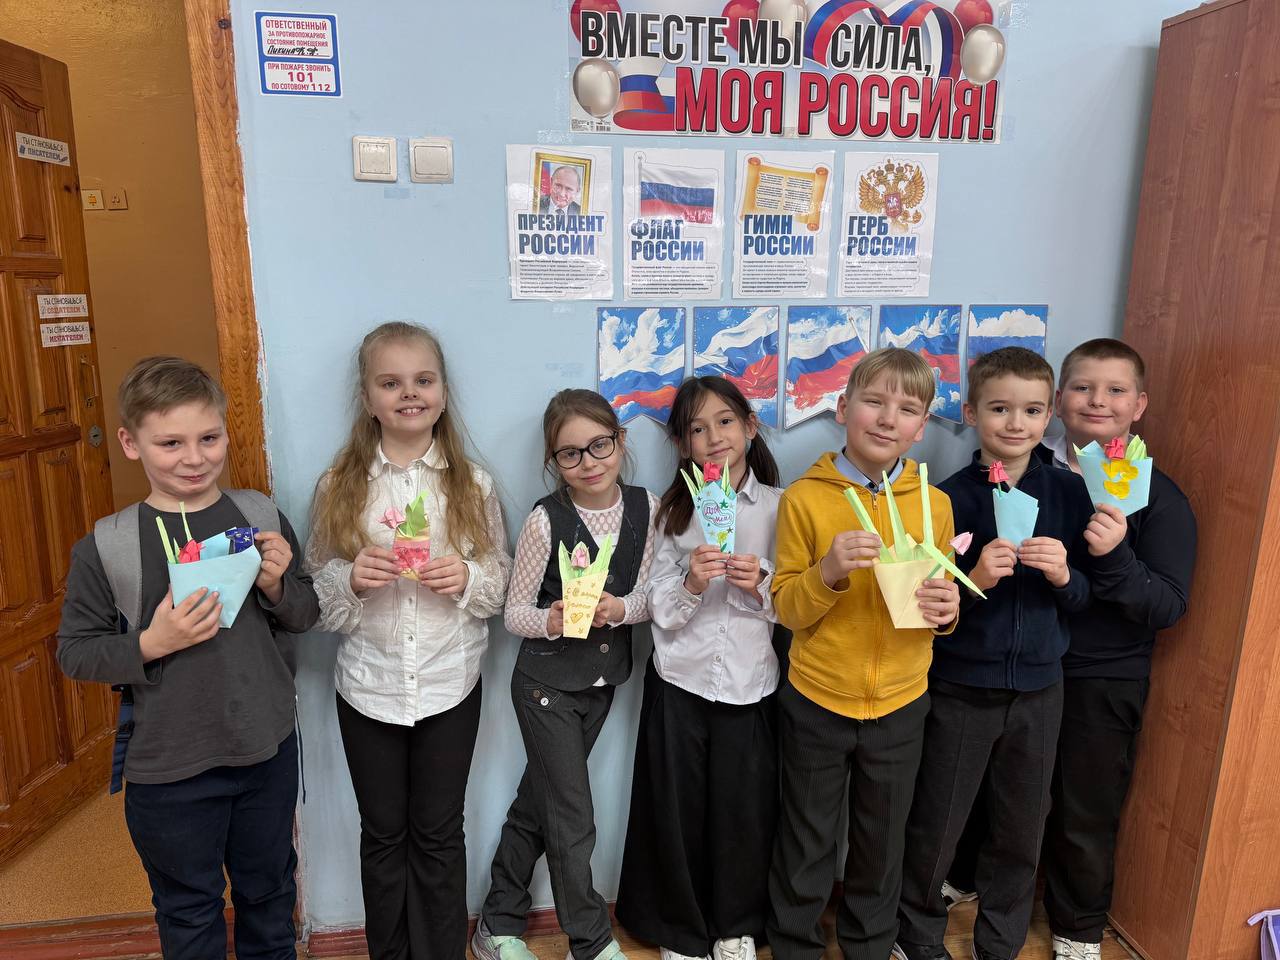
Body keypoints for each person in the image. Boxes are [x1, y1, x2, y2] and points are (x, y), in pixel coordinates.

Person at [57, 356, 319, 960]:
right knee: (189, 912)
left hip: (265, 750)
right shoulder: (107, 545)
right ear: (131, 443)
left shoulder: (259, 516)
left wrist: (278, 586)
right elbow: (75, 653)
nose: (194, 458)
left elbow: (305, 615)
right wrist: (154, 642)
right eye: (170, 443)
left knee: (270, 897)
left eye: (209, 438)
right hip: (169, 769)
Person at [306, 321, 511, 960]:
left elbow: (500, 581)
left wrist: (468, 577)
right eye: (390, 383)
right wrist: (350, 579)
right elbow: (314, 593)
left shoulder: (472, 485)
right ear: (368, 398)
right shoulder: (339, 484)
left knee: (440, 834)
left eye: (423, 380)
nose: (409, 394)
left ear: (443, 392)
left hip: (451, 682)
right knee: (383, 835)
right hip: (369, 686)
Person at [894, 347, 1093, 960]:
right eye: (1000, 408)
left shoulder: (1069, 492)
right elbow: (927, 612)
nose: (1015, 423)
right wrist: (974, 578)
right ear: (971, 412)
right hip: (961, 688)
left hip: (1040, 690)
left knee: (1022, 827)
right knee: (938, 822)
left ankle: (1000, 944)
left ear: (1049, 415)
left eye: (1031, 410)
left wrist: (1064, 576)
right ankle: (916, 937)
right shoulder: (945, 499)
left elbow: (1085, 599)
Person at [767, 348, 961, 960]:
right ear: (843, 407)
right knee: (807, 838)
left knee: (882, 841)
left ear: (921, 426)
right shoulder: (804, 499)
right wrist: (826, 573)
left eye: (906, 409)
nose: (887, 418)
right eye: (874, 402)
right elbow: (786, 608)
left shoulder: (934, 503)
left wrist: (948, 611)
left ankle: (871, 945)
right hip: (818, 698)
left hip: (902, 701)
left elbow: (937, 603)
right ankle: (795, 946)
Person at [473, 388, 658, 960]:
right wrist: (551, 621)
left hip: (602, 685)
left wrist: (620, 609)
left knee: (541, 804)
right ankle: (591, 940)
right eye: (570, 454)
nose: (588, 462)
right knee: (572, 816)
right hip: (545, 687)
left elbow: (653, 595)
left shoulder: (647, 508)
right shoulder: (544, 520)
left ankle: (496, 922)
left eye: (599, 445)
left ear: (620, 441)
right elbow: (515, 613)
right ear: (554, 461)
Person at [1038, 339, 1197, 960]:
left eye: (1115, 390)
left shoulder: (1160, 497)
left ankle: (1078, 927)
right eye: (1082, 387)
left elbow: (1167, 606)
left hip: (1103, 677)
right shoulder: (1024, 471)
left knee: (1086, 805)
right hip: (1019, 663)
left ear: (1140, 405)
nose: (1097, 401)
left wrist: (1114, 557)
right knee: (993, 787)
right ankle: (969, 878)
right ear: (1059, 400)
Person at [616, 377, 783, 960]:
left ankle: (736, 926)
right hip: (679, 680)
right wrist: (690, 581)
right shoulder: (673, 512)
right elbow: (656, 605)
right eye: (696, 428)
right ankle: (681, 930)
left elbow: (797, 601)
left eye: (725, 421)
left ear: (750, 427)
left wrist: (759, 581)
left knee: (743, 812)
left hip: (749, 684)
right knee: (676, 808)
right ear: (682, 444)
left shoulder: (780, 507)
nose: (714, 437)